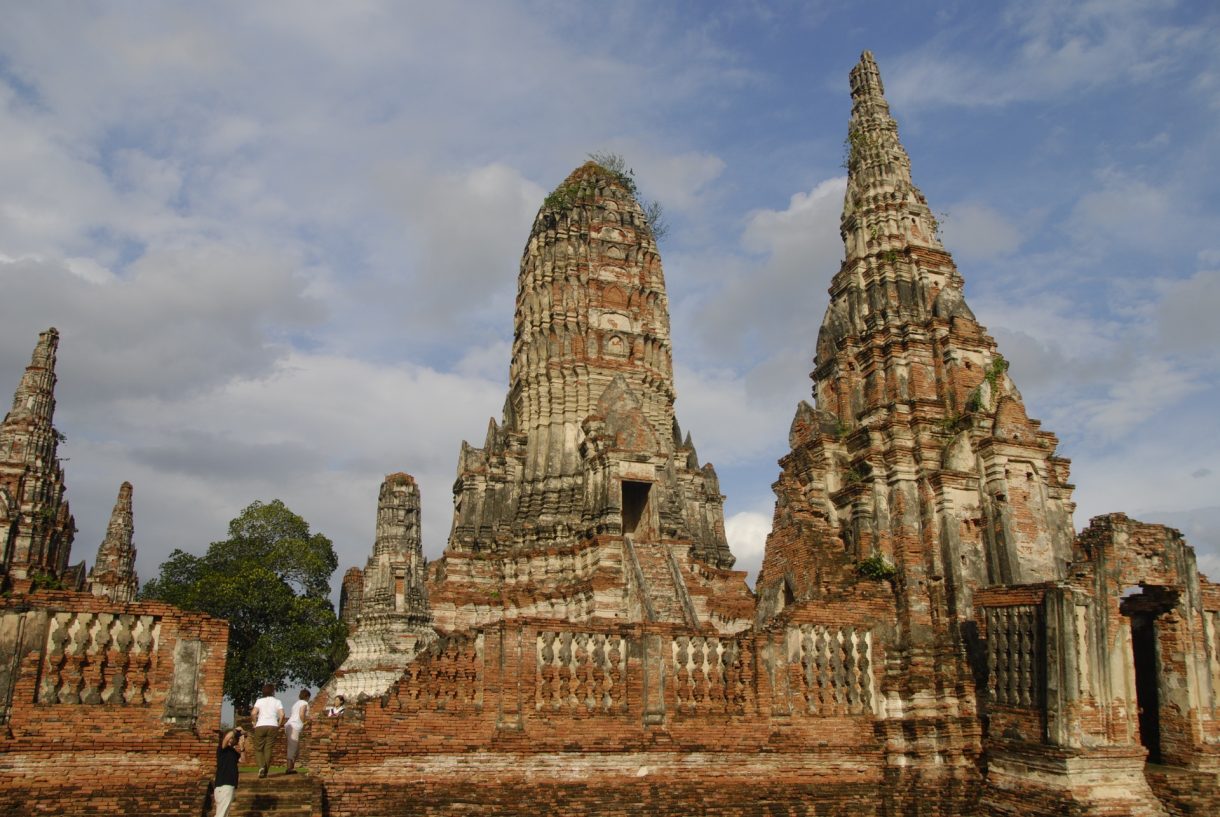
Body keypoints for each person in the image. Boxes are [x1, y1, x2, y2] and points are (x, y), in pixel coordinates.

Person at [250, 683, 285, 778]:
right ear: (273, 691)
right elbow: (282, 715)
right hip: (273, 725)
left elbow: (253, 713)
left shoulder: (259, 701)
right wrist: (279, 724)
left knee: (258, 748)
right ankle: (265, 771)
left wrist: (254, 723)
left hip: (261, 725)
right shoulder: (277, 701)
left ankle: (261, 767)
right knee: (268, 748)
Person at [213, 727, 247, 817]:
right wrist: (236, 730)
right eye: (231, 738)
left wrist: (242, 747)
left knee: (224, 813)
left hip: (229, 785)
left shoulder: (232, 751)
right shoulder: (222, 748)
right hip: (224, 784)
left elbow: (242, 760)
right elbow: (227, 737)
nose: (232, 740)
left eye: (233, 738)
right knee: (221, 814)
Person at [284, 688, 310, 774]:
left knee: (296, 748)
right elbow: (302, 713)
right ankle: (289, 768)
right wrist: (304, 722)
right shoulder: (304, 703)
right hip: (294, 726)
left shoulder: (295, 704)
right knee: (293, 747)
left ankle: (291, 767)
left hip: (290, 725)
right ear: (307, 697)